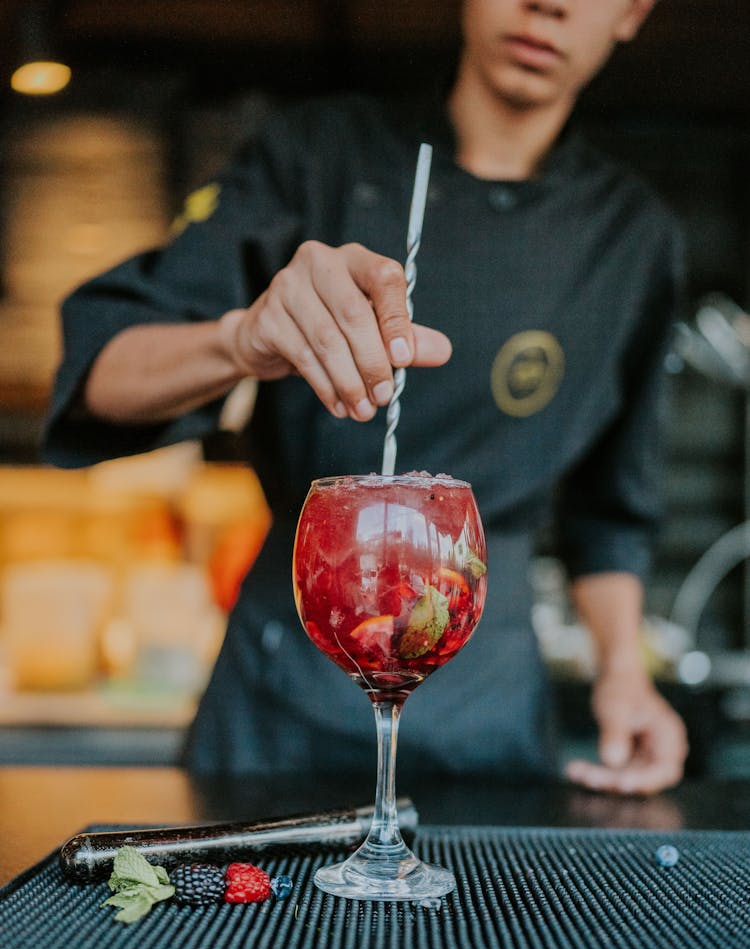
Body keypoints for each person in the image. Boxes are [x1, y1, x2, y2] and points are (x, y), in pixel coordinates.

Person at [44, 0, 688, 794]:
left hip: (489, 705)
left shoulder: (633, 236)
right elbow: (101, 370)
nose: (546, 3)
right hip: (285, 695)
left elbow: (610, 512)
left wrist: (623, 673)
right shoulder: (314, 154)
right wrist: (243, 338)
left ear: (633, 12)